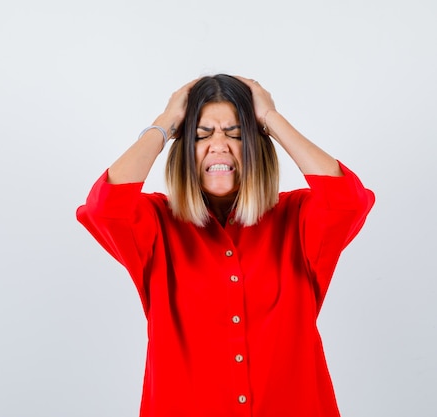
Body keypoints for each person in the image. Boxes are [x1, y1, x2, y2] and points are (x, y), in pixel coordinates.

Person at [76, 74, 375, 417]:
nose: (219, 145)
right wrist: (163, 125)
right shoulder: (156, 225)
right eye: (202, 135)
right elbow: (103, 209)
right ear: (183, 151)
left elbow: (348, 203)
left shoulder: (297, 219)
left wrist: (272, 121)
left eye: (235, 133)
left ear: (257, 147)